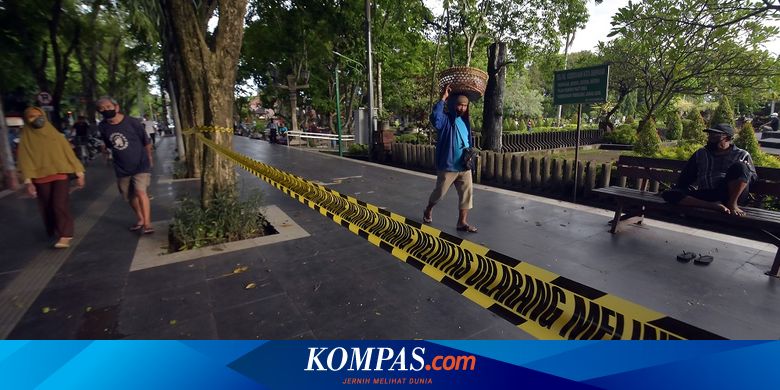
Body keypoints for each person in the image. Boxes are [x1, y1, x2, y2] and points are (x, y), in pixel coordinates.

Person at [17, 107, 85, 248]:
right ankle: (55, 229)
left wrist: (79, 173)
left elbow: (69, 154)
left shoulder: (56, 135)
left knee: (59, 204)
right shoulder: (25, 139)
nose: (36, 118)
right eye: (32, 117)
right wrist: (28, 182)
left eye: (39, 115)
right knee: (47, 207)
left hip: (60, 174)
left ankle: (65, 235)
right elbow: (25, 161)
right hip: (40, 178)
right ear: (26, 120)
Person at [661, 123, 756, 216]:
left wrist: (746, 170)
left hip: (730, 194)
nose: (710, 139)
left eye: (715, 137)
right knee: (669, 194)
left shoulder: (742, 154)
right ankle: (713, 206)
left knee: (741, 166)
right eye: (709, 136)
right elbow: (685, 178)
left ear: (727, 138)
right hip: (708, 194)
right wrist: (681, 191)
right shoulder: (700, 154)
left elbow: (752, 179)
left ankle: (732, 204)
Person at [423, 84, 477, 233]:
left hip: (464, 165)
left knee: (467, 194)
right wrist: (443, 98)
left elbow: (467, 140)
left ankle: (462, 222)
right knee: (439, 193)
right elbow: (435, 118)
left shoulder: (465, 122)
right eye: (460, 105)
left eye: (465, 106)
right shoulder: (445, 121)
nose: (462, 108)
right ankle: (428, 209)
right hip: (448, 165)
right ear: (453, 104)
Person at [97, 97, 155, 234]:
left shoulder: (132, 122)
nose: (106, 110)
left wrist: (149, 157)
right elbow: (108, 144)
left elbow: (146, 141)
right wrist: (104, 152)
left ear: (116, 107)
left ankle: (147, 223)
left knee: (141, 192)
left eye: (108, 107)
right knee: (129, 196)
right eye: (102, 109)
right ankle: (140, 219)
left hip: (140, 163)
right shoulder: (103, 126)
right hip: (121, 167)